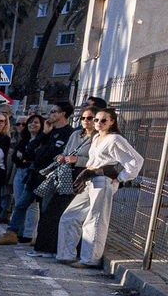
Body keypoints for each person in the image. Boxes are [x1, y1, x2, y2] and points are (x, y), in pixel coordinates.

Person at [57, 107, 144, 268]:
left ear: (112, 122)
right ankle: (65, 254)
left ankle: (89, 259)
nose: (98, 123)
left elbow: (136, 160)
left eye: (103, 120)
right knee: (70, 216)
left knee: (95, 220)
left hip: (103, 180)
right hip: (89, 179)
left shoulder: (115, 139)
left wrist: (120, 178)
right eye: (96, 119)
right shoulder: (96, 137)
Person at [34, 103, 89, 255]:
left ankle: (63, 250)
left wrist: (77, 160)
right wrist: (62, 157)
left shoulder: (97, 138)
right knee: (50, 211)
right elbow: (63, 151)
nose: (86, 121)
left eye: (91, 118)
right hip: (64, 175)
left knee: (67, 215)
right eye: (83, 118)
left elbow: (97, 160)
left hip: (81, 177)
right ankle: (46, 247)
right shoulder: (76, 134)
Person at [0, 113, 52, 245]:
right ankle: (19, 232)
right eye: (30, 122)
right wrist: (23, 157)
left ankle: (28, 233)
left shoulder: (44, 139)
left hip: (32, 172)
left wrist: (25, 156)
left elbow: (33, 156)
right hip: (20, 171)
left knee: (30, 204)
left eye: (36, 122)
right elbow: (16, 157)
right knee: (19, 202)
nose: (32, 125)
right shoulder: (24, 139)